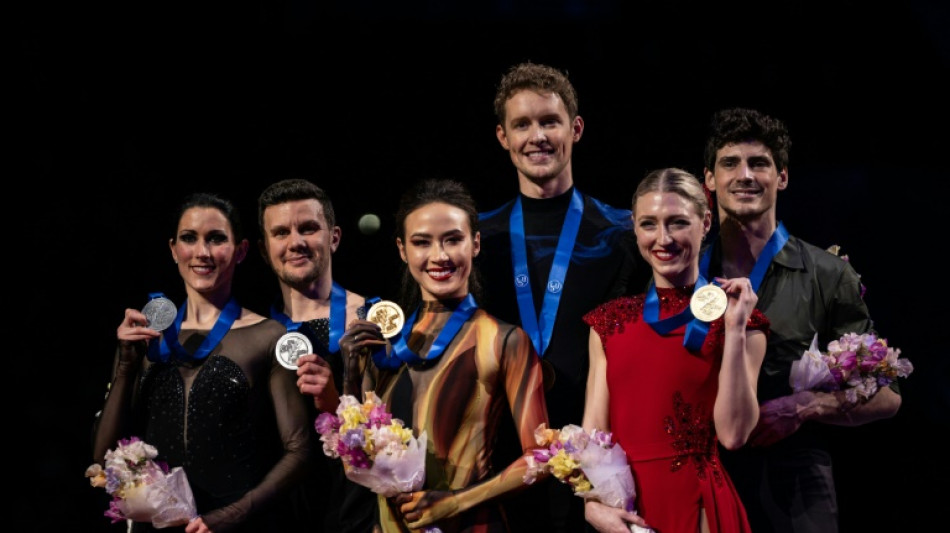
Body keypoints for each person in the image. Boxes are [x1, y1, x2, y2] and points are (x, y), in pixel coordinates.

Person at [700, 107, 902, 533]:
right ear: (709, 179)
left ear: (783, 177)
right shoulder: (684, 270)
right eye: (730, 163)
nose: (746, 175)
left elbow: (888, 396)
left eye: (760, 163)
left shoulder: (828, 274)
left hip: (792, 485)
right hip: (702, 475)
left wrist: (805, 406)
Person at [476, 61, 651, 531]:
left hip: (597, 456)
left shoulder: (622, 233)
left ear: (574, 128)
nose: (537, 136)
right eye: (522, 125)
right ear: (502, 137)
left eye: (549, 122)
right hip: (500, 455)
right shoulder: (477, 239)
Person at [92, 192, 314, 533]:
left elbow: (300, 451)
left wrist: (231, 516)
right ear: (173, 249)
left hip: (238, 524)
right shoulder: (146, 338)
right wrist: (125, 367)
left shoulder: (268, 336)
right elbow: (103, 455)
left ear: (240, 251)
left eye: (216, 239)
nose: (202, 252)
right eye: (189, 238)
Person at [340, 178, 550, 532]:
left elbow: (543, 459)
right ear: (402, 250)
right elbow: (355, 463)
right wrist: (349, 376)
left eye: (453, 239)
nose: (439, 256)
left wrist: (454, 502)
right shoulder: (385, 345)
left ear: (476, 243)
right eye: (422, 242)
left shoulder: (505, 340)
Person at [582, 168, 767, 533]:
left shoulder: (745, 321)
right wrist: (591, 503)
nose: (662, 238)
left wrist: (734, 327)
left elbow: (733, 435)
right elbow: (593, 434)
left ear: (705, 223)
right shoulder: (607, 323)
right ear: (634, 228)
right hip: (626, 511)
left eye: (678, 222)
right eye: (649, 224)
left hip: (698, 505)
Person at [257, 178, 380, 532]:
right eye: (280, 232)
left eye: (308, 228)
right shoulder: (257, 334)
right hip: (280, 516)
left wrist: (337, 402)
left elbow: (397, 435)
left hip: (358, 515)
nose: (295, 242)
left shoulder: (371, 321)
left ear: (334, 238)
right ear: (265, 250)